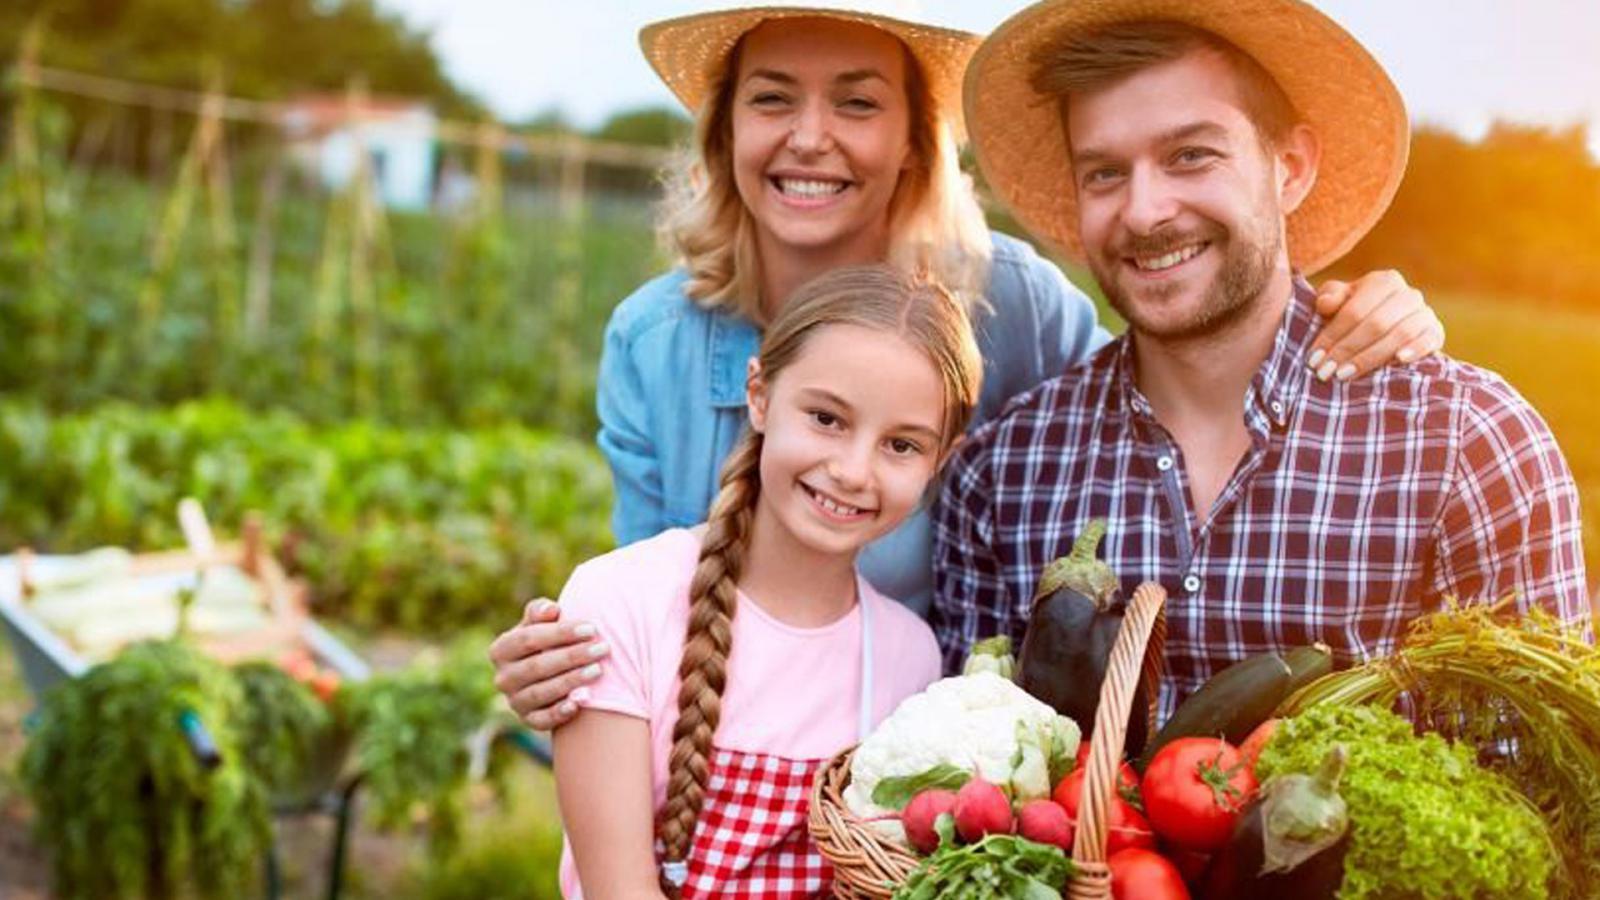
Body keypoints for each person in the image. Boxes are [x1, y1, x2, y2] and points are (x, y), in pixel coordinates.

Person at [490, 4, 1446, 732]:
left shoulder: (1010, 304)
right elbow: (644, 604)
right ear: (724, 131)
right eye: (772, 97)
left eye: (857, 101)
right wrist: (569, 658)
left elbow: (1163, 397)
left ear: (914, 139)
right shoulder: (655, 342)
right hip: (728, 759)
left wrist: (1349, 304)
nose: (809, 137)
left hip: (921, 763)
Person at [935, 0, 1590, 719]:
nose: (1146, 210)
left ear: (1291, 168)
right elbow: (975, 783)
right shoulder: (1004, 472)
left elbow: (1539, 787)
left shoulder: (1470, 446)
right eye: (1104, 173)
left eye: (1190, 155)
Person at [552, 265, 979, 898]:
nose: (854, 471)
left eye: (902, 445)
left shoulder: (908, 656)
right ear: (760, 395)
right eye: (827, 418)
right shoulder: (620, 602)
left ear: (941, 459)